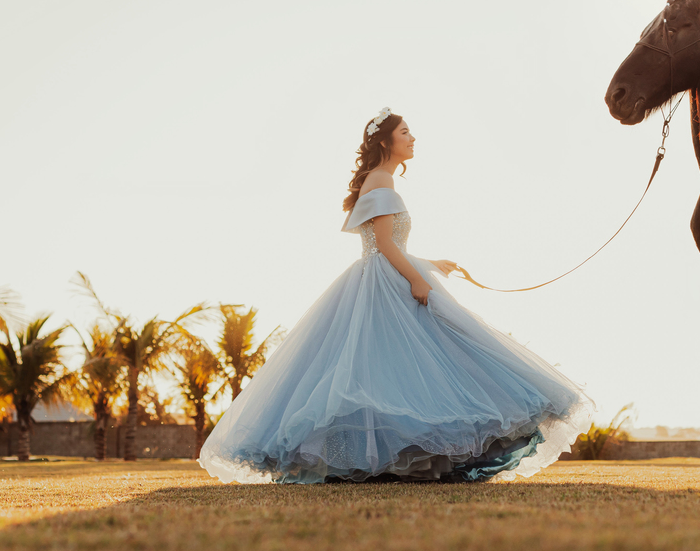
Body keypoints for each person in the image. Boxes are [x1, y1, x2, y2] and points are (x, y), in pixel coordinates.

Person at [199, 108, 594, 483]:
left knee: (394, 369)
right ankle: (383, 460)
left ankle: (395, 460)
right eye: (405, 131)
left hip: (385, 273)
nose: (413, 137)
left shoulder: (379, 179)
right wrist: (417, 280)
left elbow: (386, 244)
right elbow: (385, 244)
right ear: (386, 142)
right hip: (384, 282)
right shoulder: (382, 180)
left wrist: (430, 264)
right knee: (408, 363)